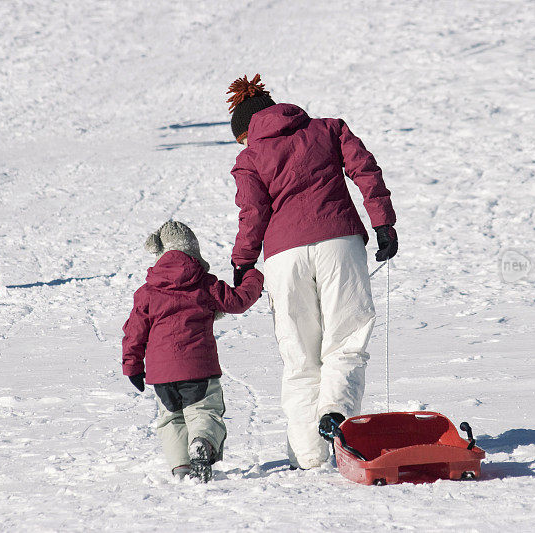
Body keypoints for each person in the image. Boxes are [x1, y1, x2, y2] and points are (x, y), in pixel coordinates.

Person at [226, 74, 398, 469]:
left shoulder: (250, 158)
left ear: (247, 128)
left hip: (284, 258)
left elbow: (253, 214)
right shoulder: (327, 129)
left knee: (299, 356)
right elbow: (364, 169)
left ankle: (308, 457)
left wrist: (242, 262)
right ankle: (335, 411)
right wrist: (382, 222)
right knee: (346, 341)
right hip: (340, 243)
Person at [122, 220, 264, 481]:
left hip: (161, 375)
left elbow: (134, 332)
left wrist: (132, 366)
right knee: (204, 411)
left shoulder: (147, 292)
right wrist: (253, 276)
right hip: (199, 369)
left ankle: (181, 467)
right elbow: (238, 301)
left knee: (171, 419)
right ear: (193, 252)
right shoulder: (204, 284)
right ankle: (202, 443)